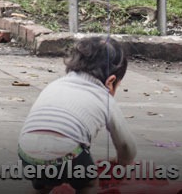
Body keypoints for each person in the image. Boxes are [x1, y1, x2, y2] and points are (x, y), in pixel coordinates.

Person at [18, 36, 136, 193]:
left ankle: (44, 184)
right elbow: (126, 145)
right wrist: (123, 163)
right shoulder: (105, 98)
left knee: (45, 170)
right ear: (110, 82)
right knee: (88, 183)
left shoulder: (56, 84)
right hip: (68, 155)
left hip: (26, 152)